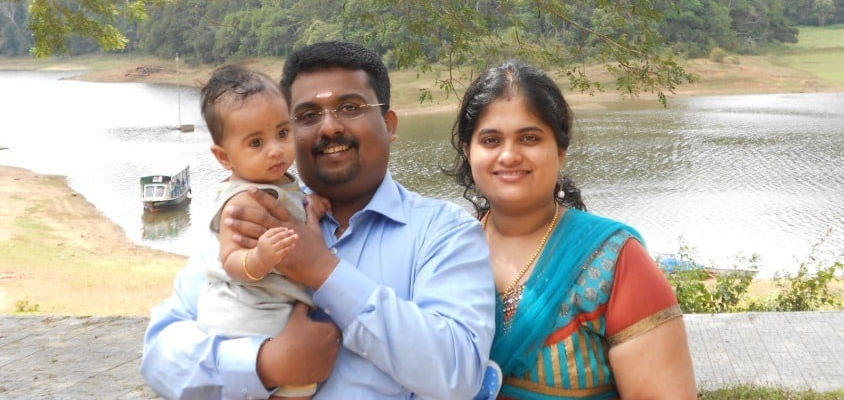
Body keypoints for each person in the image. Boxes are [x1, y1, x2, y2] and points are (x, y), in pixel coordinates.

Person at [142, 41, 497, 400]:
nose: (329, 128)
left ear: (389, 124)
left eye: (350, 107)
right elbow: (161, 357)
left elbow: (459, 374)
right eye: (307, 116)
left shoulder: (445, 233)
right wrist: (264, 364)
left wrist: (323, 270)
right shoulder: (250, 216)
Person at [447, 59, 697, 400]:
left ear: (560, 151)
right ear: (468, 151)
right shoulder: (444, 250)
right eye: (491, 140)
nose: (508, 155)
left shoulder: (613, 260)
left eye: (529, 138)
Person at [197, 64, 327, 400]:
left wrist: (311, 205)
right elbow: (230, 260)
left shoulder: (275, 182)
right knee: (295, 385)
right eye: (256, 142)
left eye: (283, 133)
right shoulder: (244, 202)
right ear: (225, 157)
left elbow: (292, 202)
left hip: (274, 316)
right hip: (248, 321)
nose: (276, 149)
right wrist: (258, 257)